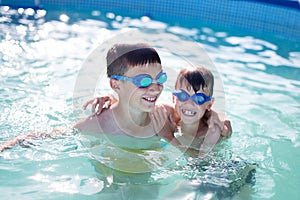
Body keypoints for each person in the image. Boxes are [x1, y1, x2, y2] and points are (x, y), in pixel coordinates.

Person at [84, 65, 232, 157]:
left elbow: (200, 163)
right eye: (182, 96)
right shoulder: (167, 115)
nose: (189, 103)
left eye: (199, 99)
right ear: (174, 98)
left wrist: (168, 137)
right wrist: (111, 99)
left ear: (209, 104)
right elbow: (139, 107)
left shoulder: (212, 131)